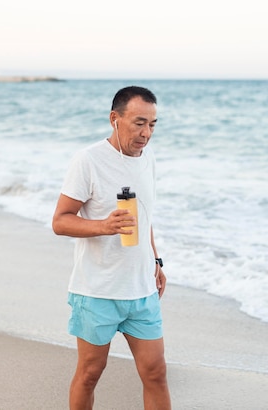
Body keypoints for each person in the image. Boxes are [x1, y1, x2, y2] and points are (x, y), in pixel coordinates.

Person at [52, 86, 171, 410]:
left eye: (153, 125)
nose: (146, 133)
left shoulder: (149, 160)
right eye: (139, 123)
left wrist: (156, 261)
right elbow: (60, 221)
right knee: (90, 373)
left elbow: (144, 218)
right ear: (114, 119)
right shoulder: (88, 160)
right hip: (97, 291)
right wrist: (103, 226)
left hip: (141, 290)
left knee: (156, 373)